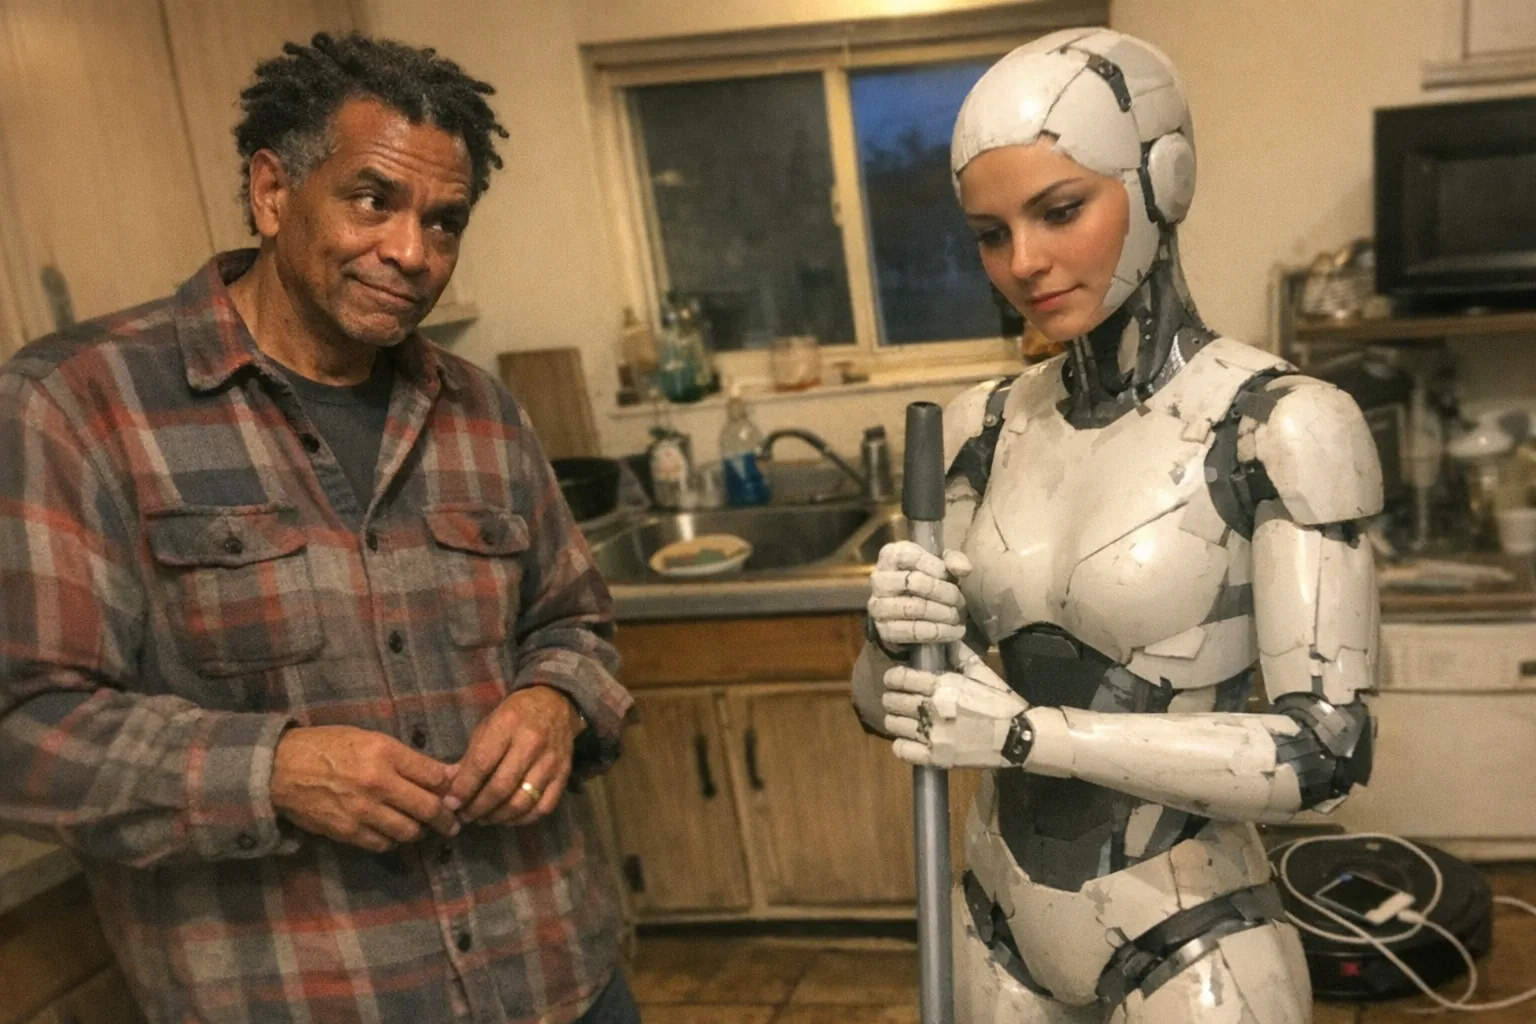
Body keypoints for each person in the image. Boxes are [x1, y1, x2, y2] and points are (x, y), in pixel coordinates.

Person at [0, 33, 636, 1024]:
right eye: (373, 200)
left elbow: (576, 625)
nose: (413, 253)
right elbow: (24, 731)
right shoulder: (77, 406)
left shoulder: (484, 413)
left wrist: (557, 699)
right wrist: (273, 772)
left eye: (444, 221)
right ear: (271, 191)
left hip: (557, 974)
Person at [855, 28, 1382, 1023]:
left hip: (1188, 933)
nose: (1025, 262)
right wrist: (889, 636)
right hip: (997, 916)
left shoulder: (1280, 426)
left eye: (1062, 211)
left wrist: (1026, 736)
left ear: (1162, 181)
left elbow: (1328, 752)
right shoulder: (982, 428)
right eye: (990, 233)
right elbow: (889, 705)